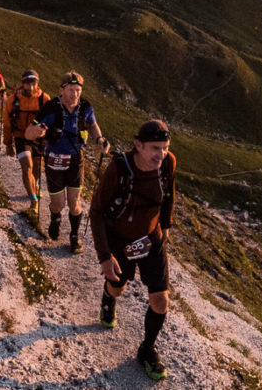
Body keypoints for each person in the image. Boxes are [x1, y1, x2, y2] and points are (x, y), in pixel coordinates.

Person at [91, 119, 177, 381]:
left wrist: (166, 228)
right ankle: (109, 297)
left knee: (161, 300)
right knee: (119, 287)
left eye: (164, 147)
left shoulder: (168, 163)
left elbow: (169, 195)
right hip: (119, 239)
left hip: (151, 239)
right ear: (138, 145)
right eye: (154, 148)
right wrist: (106, 258)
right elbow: (96, 212)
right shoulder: (118, 168)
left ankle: (147, 349)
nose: (160, 154)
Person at [25, 71, 105, 252]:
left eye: (78, 90)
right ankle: (56, 217)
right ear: (62, 90)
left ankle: (74, 236)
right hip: (54, 160)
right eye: (71, 90)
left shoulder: (85, 107)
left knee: (75, 203)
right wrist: (37, 131)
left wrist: (99, 139)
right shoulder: (51, 108)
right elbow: (28, 133)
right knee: (58, 203)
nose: (75, 94)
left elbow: (92, 125)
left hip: (76, 159)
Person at [1, 69, 51, 218]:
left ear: (38, 83)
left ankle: (34, 185)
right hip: (21, 136)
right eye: (28, 83)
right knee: (26, 167)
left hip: (38, 138)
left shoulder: (44, 99)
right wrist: (8, 144)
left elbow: (52, 119)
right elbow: (7, 123)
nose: (31, 86)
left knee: (36, 168)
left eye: (33, 83)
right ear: (22, 83)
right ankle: (33, 200)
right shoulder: (13, 99)